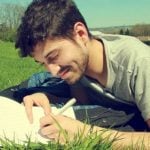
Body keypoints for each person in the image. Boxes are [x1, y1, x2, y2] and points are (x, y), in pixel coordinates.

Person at [15, 0, 150, 148]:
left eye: (53, 56)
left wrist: (84, 133)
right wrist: (47, 96)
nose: (53, 71)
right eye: (43, 63)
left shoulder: (140, 63)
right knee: (28, 89)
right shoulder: (75, 62)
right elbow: (80, 99)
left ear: (81, 34)